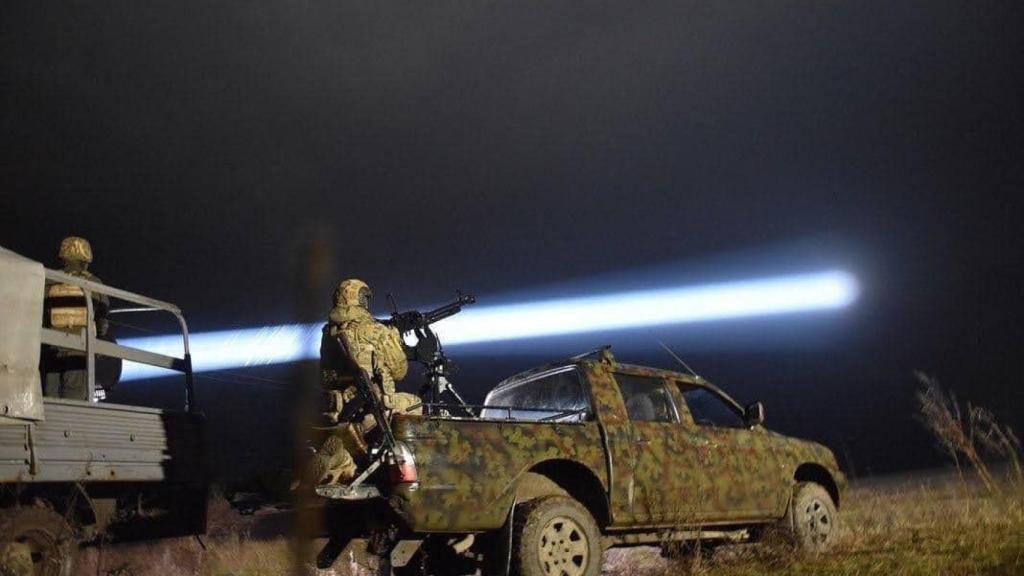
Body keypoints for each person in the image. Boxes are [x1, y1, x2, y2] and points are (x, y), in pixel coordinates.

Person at [303, 279, 421, 488]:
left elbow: (326, 375)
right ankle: (398, 470)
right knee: (415, 404)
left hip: (340, 409)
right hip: (371, 409)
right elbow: (400, 371)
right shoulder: (376, 331)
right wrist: (395, 339)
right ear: (361, 299)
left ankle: (342, 459)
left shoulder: (327, 333)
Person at [42, 236, 115, 400]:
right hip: (80, 350)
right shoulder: (93, 282)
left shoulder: (49, 279)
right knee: (74, 398)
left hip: (52, 349)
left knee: (50, 396)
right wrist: (100, 341)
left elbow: (41, 313)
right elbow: (102, 318)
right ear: (85, 258)